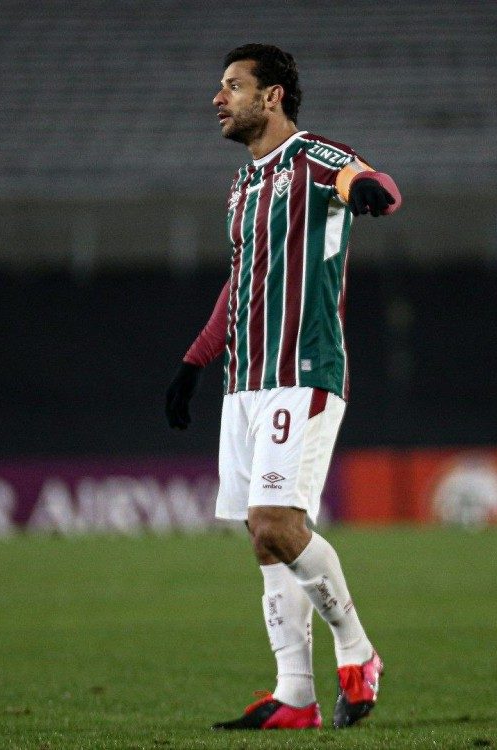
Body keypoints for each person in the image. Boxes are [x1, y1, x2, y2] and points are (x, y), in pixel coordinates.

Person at [166, 44, 401, 730]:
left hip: (304, 372)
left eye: (233, 86)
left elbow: (370, 182)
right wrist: (193, 363)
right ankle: (294, 693)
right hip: (244, 381)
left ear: (270, 97)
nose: (219, 98)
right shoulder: (242, 186)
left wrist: (369, 191)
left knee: (279, 524)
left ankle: (358, 651)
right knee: (261, 537)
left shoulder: (316, 159)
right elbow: (241, 285)